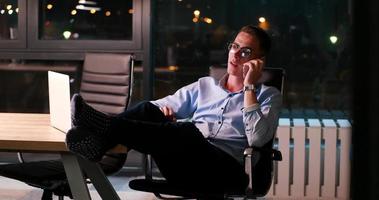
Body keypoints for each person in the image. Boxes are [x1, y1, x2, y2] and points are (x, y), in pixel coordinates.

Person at [66, 25, 282, 194]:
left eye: (245, 51)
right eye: (234, 46)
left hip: (225, 171)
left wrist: (249, 87)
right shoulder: (204, 86)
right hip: (183, 166)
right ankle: (100, 141)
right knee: (148, 109)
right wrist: (164, 122)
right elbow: (160, 107)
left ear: (258, 62)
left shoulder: (268, 95)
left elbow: (257, 140)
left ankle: (101, 127)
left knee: (187, 131)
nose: (235, 55)